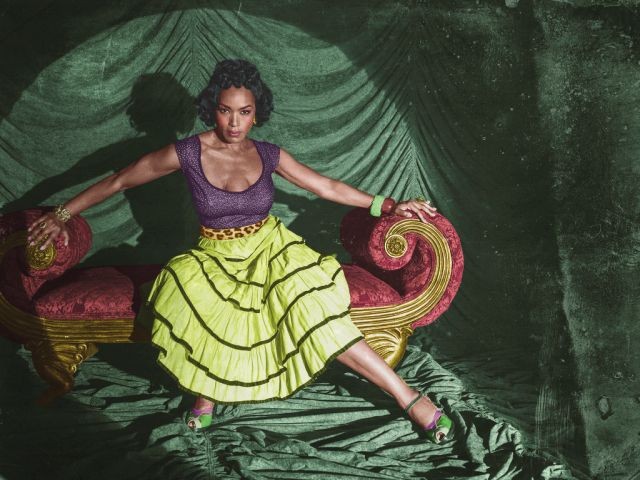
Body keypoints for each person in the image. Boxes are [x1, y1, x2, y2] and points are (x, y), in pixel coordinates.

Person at [26, 59, 453, 443]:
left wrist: (390, 205)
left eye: (244, 112)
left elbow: (326, 186)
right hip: (214, 254)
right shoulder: (187, 152)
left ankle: (408, 397)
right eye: (225, 110)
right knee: (196, 297)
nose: (234, 122)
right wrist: (62, 213)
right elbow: (119, 179)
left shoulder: (268, 154)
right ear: (212, 109)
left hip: (270, 249)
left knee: (316, 312)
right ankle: (207, 393)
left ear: (256, 113)